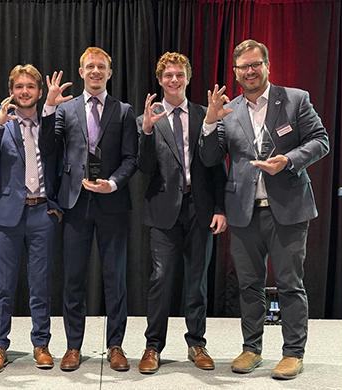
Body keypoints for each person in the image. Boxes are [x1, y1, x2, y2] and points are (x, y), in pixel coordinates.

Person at [200, 39, 329, 380]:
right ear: (235, 72)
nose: (250, 71)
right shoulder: (230, 110)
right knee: (249, 285)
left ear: (267, 66)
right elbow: (210, 159)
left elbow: (320, 141)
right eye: (243, 67)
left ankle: (292, 353)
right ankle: (252, 348)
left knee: (289, 283)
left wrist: (288, 160)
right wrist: (211, 122)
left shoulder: (295, 99)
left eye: (256, 64)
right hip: (243, 211)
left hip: (287, 207)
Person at [39, 47, 138, 372]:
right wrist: (50, 106)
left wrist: (112, 183)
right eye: (90, 66)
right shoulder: (65, 111)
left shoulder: (123, 111)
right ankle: (72, 346)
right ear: (81, 72)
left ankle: (116, 346)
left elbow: (130, 160)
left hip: (111, 202)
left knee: (115, 280)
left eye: (102, 67)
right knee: (74, 280)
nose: (96, 71)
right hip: (75, 203)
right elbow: (48, 148)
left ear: (110, 73)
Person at [136, 52, 227, 374]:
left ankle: (196, 343)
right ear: (160, 80)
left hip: (199, 210)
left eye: (179, 75)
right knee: (160, 279)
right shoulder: (150, 117)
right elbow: (144, 168)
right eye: (168, 76)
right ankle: (152, 346)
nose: (174, 80)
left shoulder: (206, 115)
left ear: (187, 78)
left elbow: (216, 167)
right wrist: (146, 130)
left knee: (197, 281)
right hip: (163, 212)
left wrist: (219, 209)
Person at [0, 66, 71, 373]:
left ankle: (41, 344)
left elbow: (63, 162)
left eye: (31, 86)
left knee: (40, 284)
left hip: (41, 212)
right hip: (6, 217)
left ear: (39, 92)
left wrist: (56, 205)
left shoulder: (51, 123)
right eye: (19, 86)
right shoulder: (1, 123)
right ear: (11, 91)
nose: (25, 91)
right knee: (3, 286)